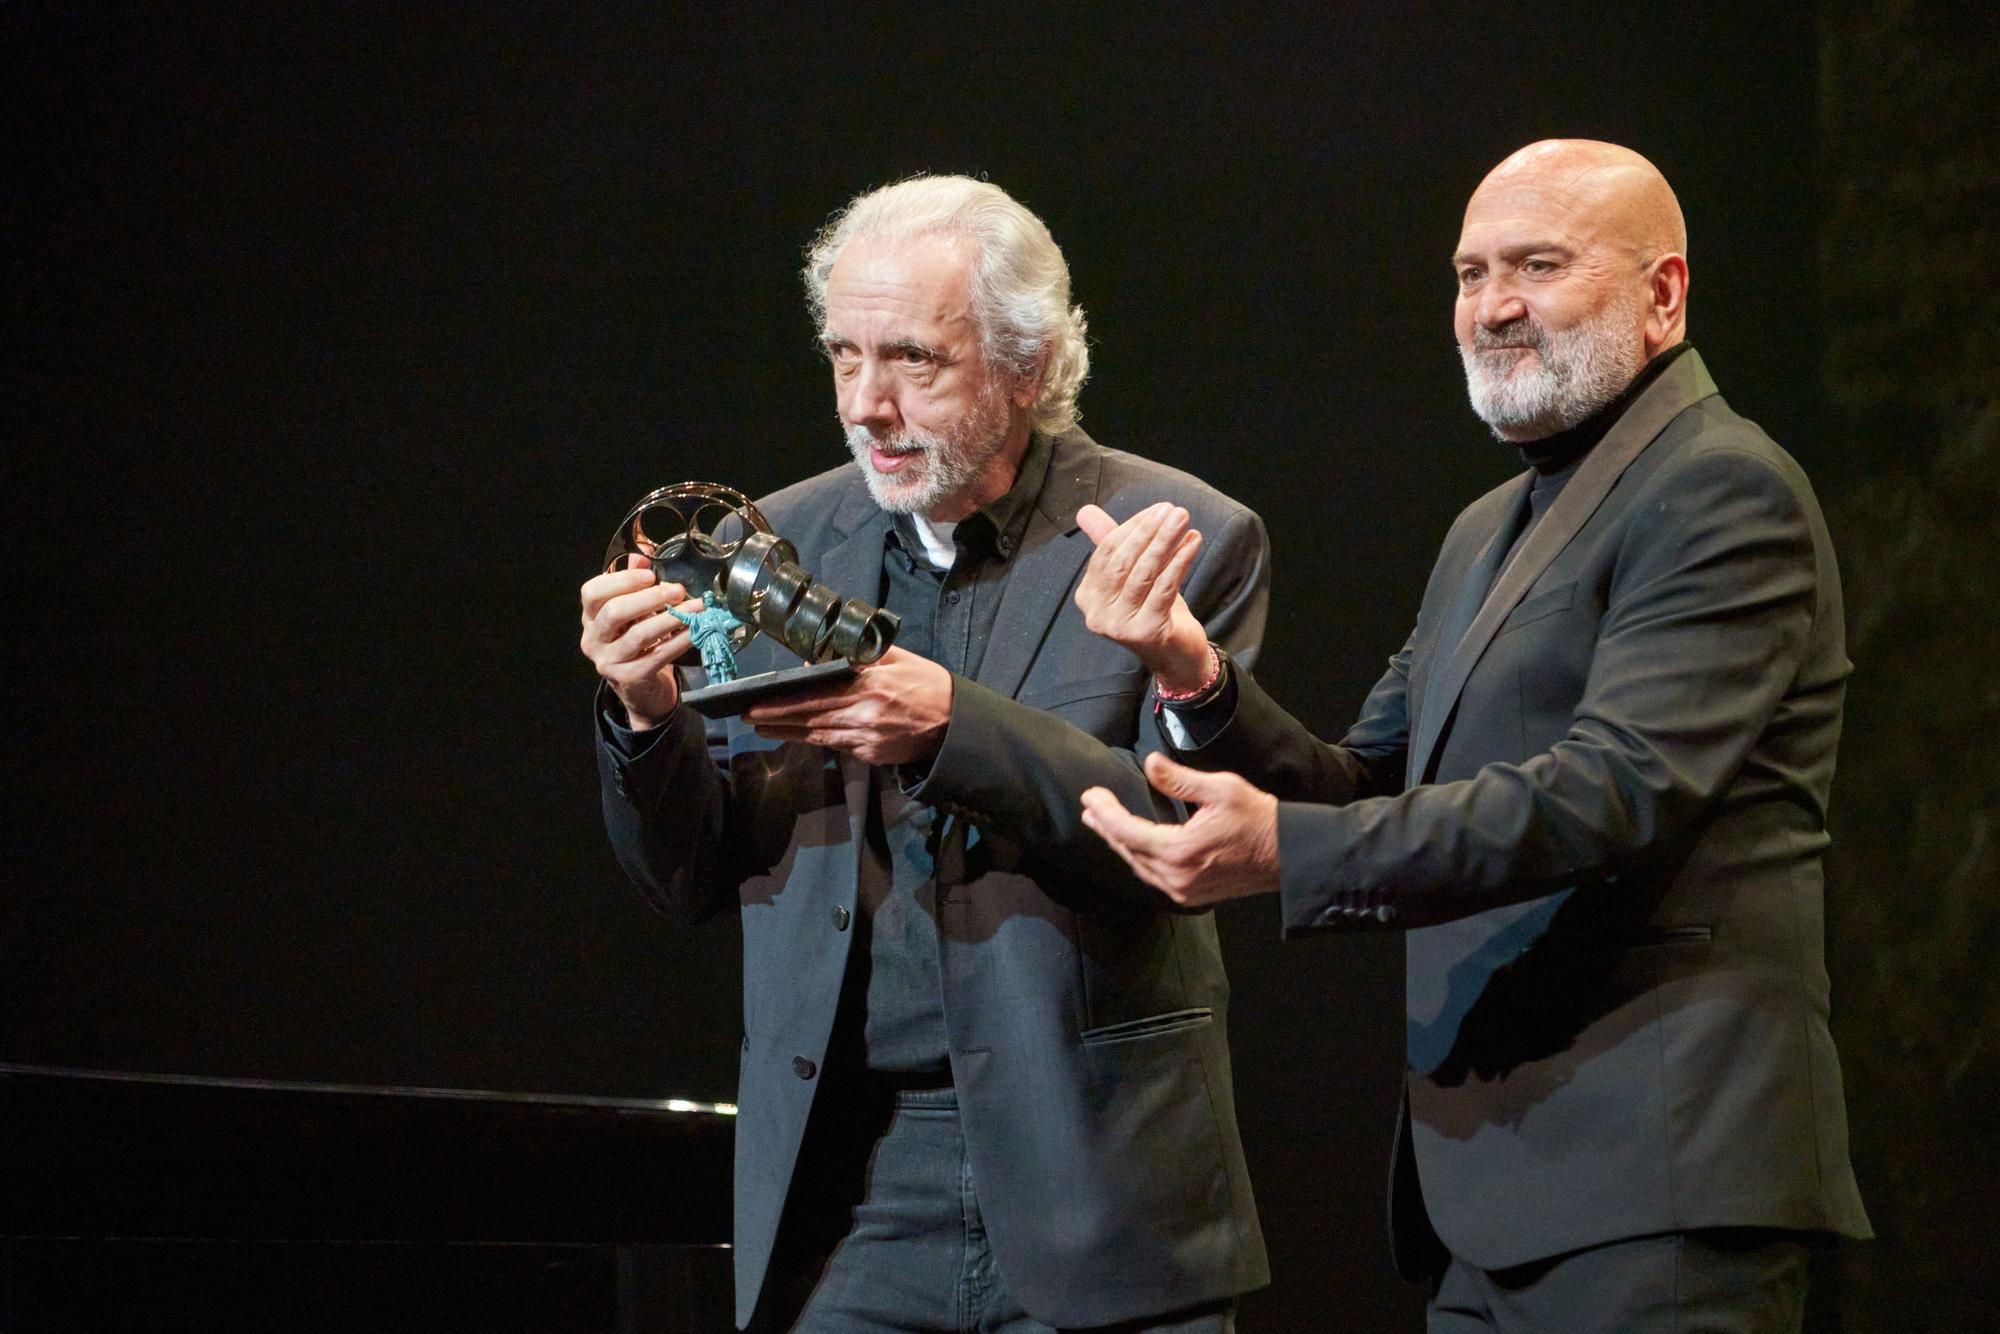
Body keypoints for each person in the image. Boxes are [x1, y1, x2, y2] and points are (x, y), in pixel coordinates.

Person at [1072, 140, 1870, 1332]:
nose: (1490, 306)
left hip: (1657, 1182)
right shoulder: (1484, 528)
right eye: (1468, 272)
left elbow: (1614, 789)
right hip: (1486, 1200)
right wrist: (1193, 670)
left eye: (1537, 266)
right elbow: (1363, 781)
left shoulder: (1722, 486)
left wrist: (1286, 848)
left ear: (1661, 293)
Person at [578, 175, 1270, 1332]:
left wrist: (951, 728)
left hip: (1095, 1172)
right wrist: (644, 714)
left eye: (912, 359)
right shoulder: (768, 542)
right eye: (843, 356)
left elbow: (1184, 840)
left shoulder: (1174, 534)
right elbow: (685, 877)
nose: (867, 405)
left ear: (1028, 365)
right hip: (850, 1189)